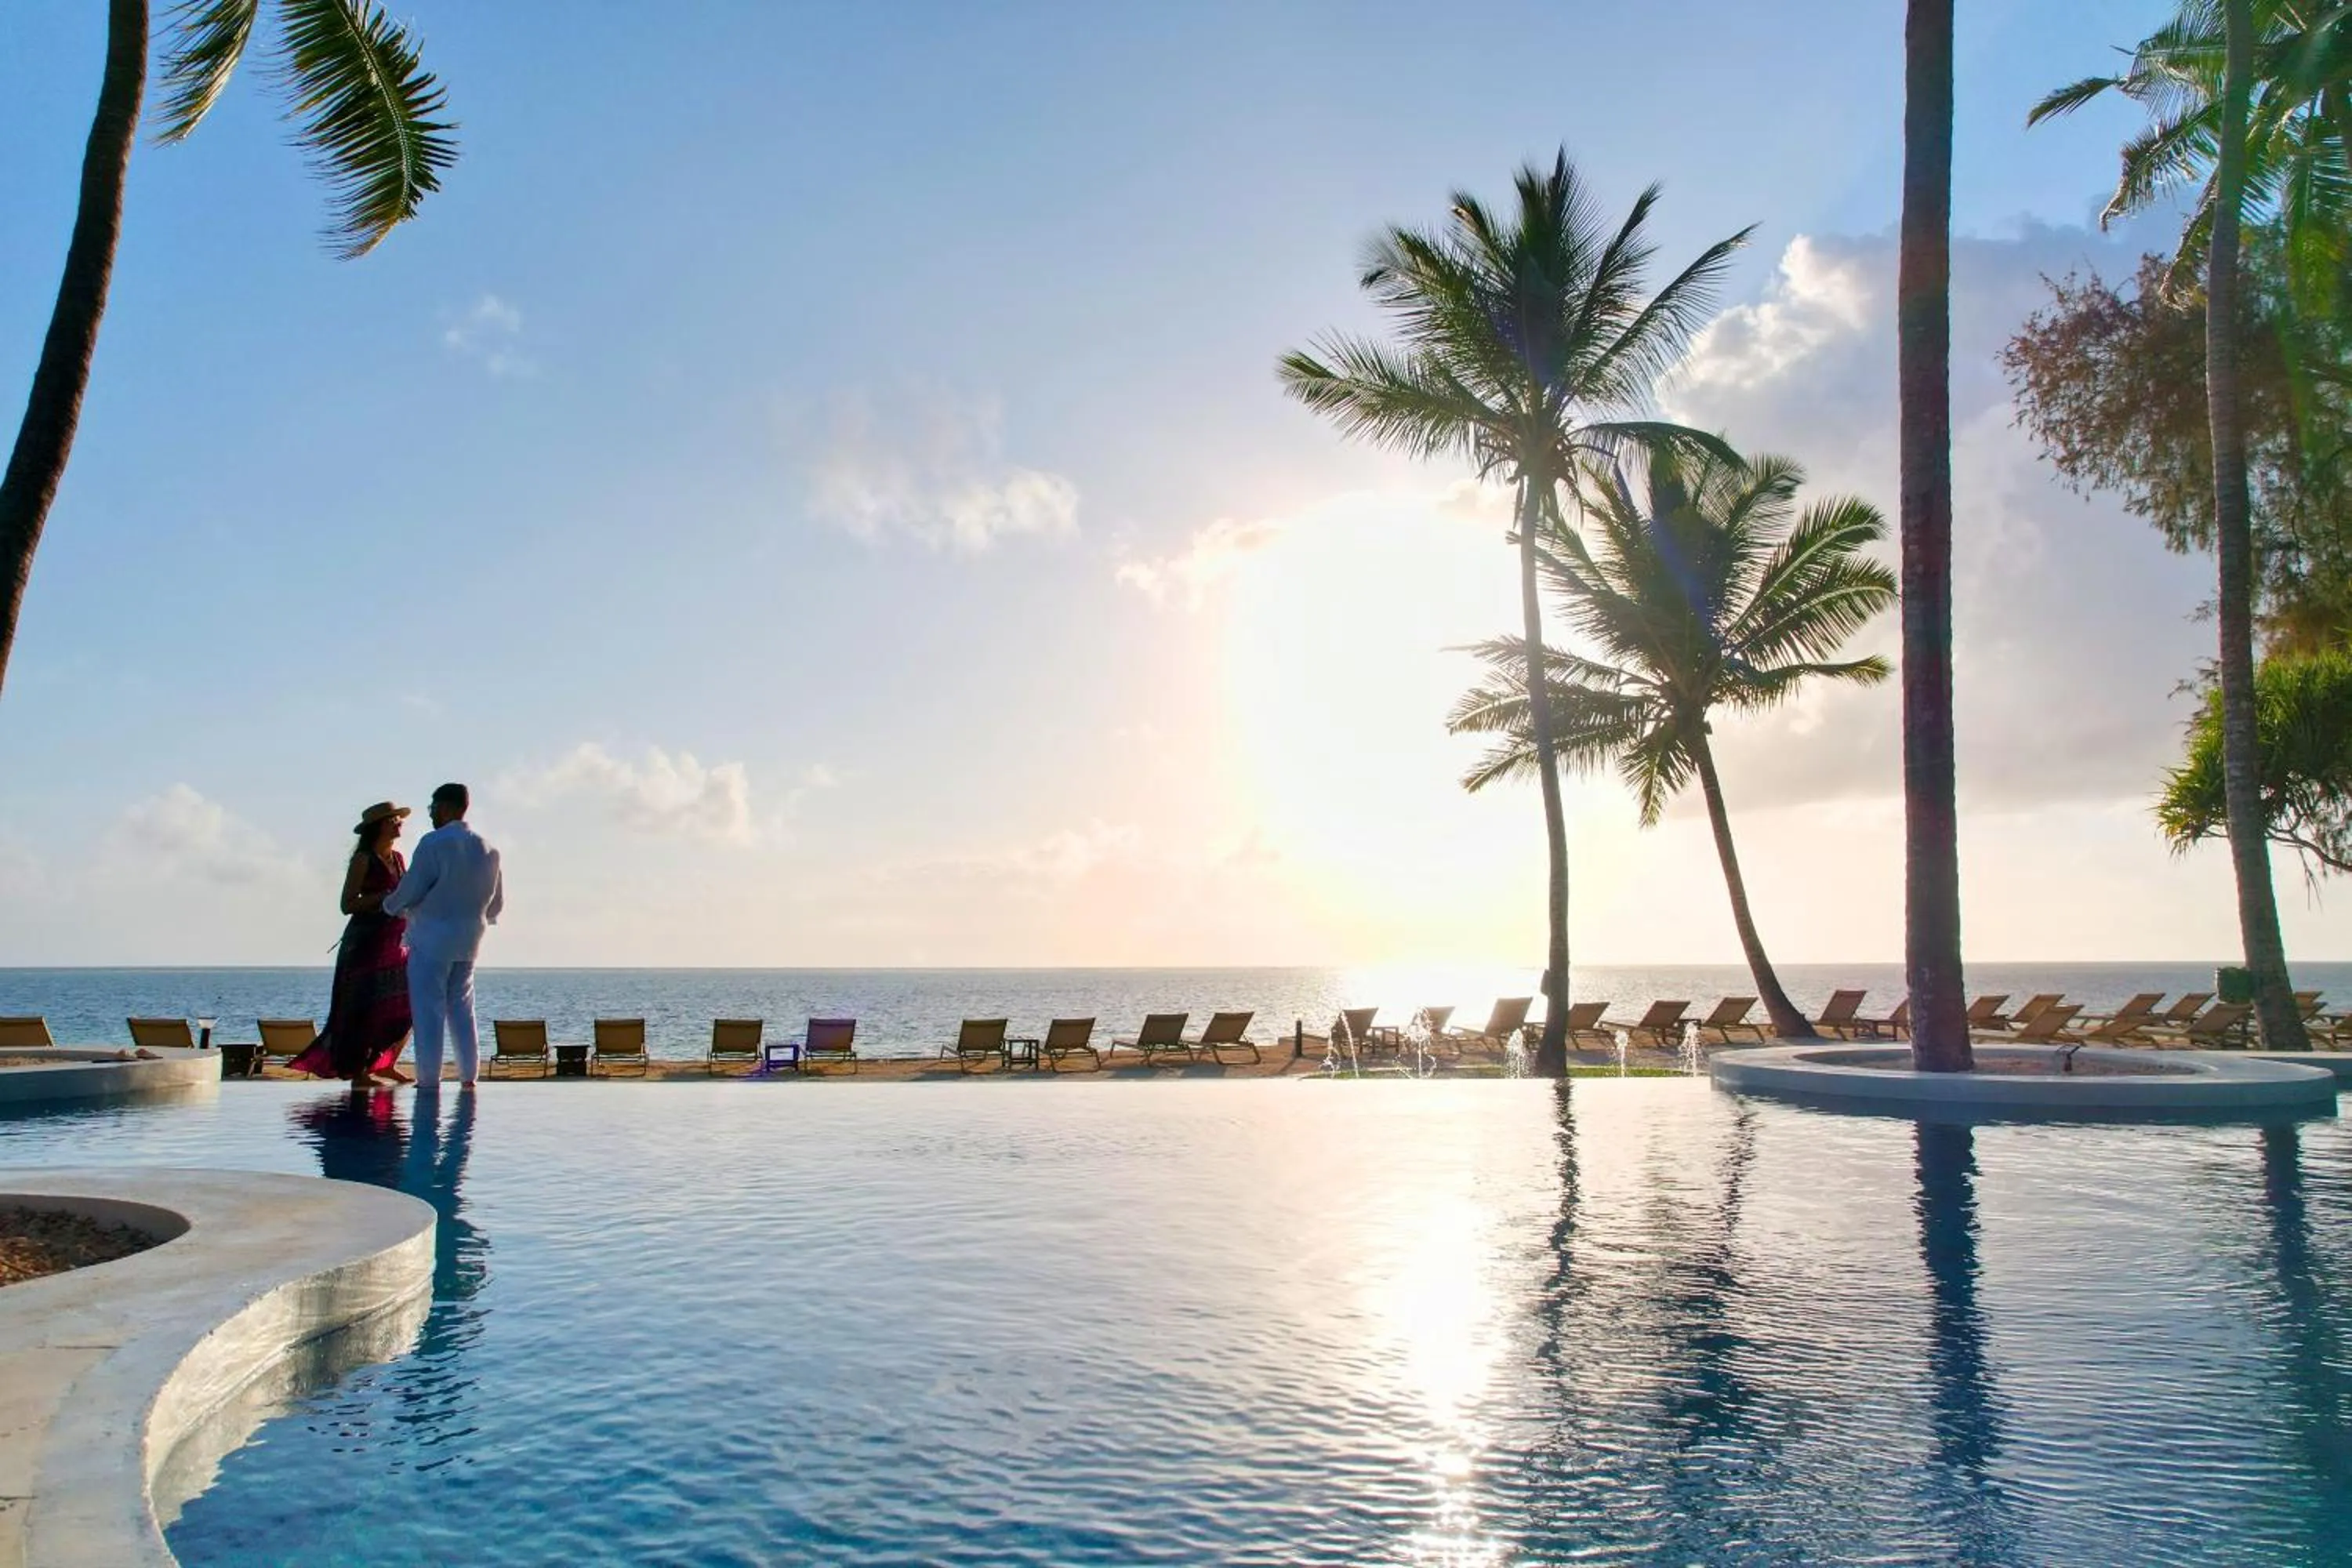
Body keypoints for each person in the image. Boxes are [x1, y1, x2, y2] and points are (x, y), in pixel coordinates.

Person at [383, 782, 503, 1089]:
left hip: (431, 938)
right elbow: (496, 902)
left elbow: (411, 889)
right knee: (463, 1009)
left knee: (428, 1011)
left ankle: (428, 1079)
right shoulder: (489, 848)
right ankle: (468, 1076)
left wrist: (390, 906)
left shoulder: (434, 843)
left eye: (433, 808)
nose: (431, 814)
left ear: (446, 807)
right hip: (469, 940)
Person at [288, 802, 417, 1087]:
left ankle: (386, 1063)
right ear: (381, 825)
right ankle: (360, 1072)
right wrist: (382, 897)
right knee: (363, 1007)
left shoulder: (398, 858)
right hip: (366, 944)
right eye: (395, 820)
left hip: (397, 944)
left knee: (407, 1005)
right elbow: (347, 904)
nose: (400, 824)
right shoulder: (363, 859)